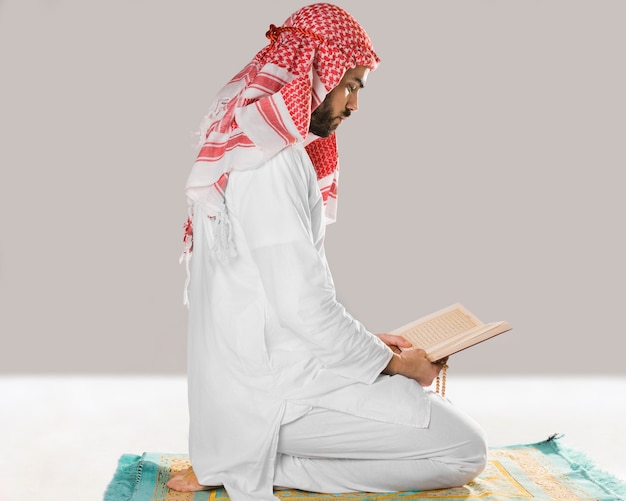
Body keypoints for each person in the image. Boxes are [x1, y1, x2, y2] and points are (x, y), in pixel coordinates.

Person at [167, 3, 487, 500]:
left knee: (424, 412)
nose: (355, 104)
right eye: (352, 85)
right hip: (271, 391)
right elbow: (302, 306)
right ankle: (256, 467)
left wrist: (374, 349)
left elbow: (277, 294)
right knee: (464, 451)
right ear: (318, 72)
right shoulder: (269, 164)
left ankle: (242, 455)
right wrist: (396, 365)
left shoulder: (256, 148)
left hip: (265, 373)